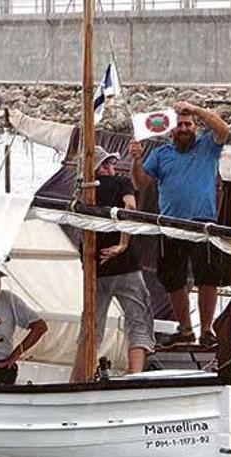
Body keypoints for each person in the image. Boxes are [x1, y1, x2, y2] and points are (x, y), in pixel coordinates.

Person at [129, 101, 230, 347]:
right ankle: (186, 331)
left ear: (195, 127)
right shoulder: (161, 154)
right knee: (173, 279)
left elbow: (224, 130)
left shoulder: (207, 147)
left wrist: (194, 109)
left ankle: (206, 331)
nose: (184, 128)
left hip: (203, 223)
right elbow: (141, 184)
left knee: (208, 278)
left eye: (188, 124)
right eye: (180, 125)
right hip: (171, 224)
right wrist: (136, 160)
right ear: (171, 130)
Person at [70, 146, 155, 382]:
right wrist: (123, 244)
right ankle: (135, 377)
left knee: (91, 326)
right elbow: (130, 209)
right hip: (125, 266)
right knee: (138, 319)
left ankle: (78, 380)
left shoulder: (80, 192)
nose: (112, 168)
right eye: (106, 165)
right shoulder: (120, 183)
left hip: (95, 268)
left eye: (111, 164)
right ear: (96, 168)